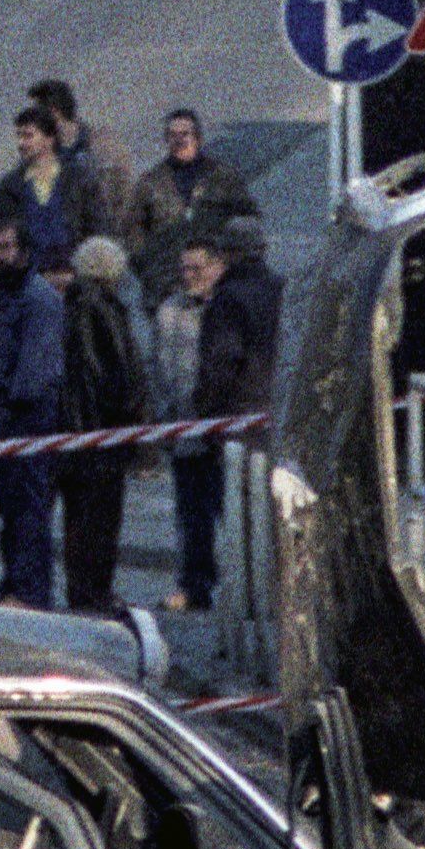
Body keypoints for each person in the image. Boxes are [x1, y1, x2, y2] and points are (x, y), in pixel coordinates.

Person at [157, 234, 282, 603]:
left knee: (239, 512)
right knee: (193, 515)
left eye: (198, 268)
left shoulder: (229, 304)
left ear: (218, 266)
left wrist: (210, 410)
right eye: (184, 269)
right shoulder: (170, 311)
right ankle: (196, 585)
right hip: (187, 427)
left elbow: (223, 367)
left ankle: (247, 591)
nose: (190, 276)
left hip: (224, 426)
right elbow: (160, 367)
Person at [52, 235, 151, 611]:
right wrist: (130, 419)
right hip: (101, 435)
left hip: (75, 433)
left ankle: (83, 590)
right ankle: (95, 591)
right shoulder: (103, 310)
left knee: (78, 520)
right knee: (101, 520)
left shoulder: (72, 306)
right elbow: (114, 374)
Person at [0, 216, 67, 605]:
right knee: (10, 507)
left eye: (7, 248)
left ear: (25, 251)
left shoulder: (36, 297)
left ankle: (31, 589)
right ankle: (14, 582)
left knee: (30, 508)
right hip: (8, 416)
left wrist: (10, 406)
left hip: (28, 417)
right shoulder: (11, 294)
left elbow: (37, 367)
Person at [122, 108, 258, 266]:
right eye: (173, 135)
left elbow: (248, 219)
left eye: (184, 134)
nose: (178, 140)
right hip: (167, 275)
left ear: (198, 138)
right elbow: (132, 228)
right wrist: (147, 263)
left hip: (216, 272)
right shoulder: (150, 182)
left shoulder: (223, 178)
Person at [0, 103, 99, 286]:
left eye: (28, 136)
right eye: (19, 136)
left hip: (77, 286)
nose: (22, 143)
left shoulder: (78, 180)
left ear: (49, 139)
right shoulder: (8, 188)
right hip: (27, 288)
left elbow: (99, 230)